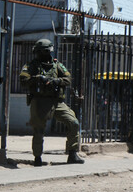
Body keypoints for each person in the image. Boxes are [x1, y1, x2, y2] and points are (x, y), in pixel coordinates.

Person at [19, 38, 84, 166]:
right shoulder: (31, 65)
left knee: (73, 122)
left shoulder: (57, 65)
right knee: (39, 130)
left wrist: (56, 81)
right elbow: (23, 80)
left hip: (56, 102)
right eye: (41, 52)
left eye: (46, 51)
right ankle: (37, 158)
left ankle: (72, 154)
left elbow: (68, 78)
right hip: (39, 101)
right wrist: (37, 79)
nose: (44, 54)